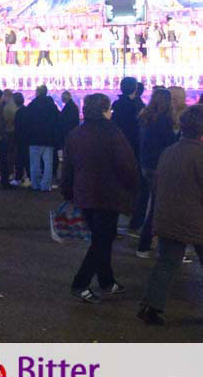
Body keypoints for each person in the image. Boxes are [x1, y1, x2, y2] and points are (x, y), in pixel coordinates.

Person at [60, 93, 139, 303]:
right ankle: (81, 283)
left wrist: (68, 192)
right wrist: (132, 187)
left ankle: (107, 281)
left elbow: (67, 167)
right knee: (102, 240)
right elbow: (127, 166)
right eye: (109, 109)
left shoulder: (76, 134)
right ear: (104, 110)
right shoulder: (113, 133)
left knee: (101, 238)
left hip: (84, 194)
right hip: (108, 194)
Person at [137, 103, 203, 325]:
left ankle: (150, 307)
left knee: (166, 264)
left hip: (168, 216)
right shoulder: (199, 155)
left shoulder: (170, 151)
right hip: (195, 219)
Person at [133, 87, 176, 254]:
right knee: (158, 206)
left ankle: (147, 243)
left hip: (146, 163)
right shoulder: (163, 120)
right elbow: (170, 143)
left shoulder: (145, 117)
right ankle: (147, 245)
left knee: (154, 203)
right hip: (159, 165)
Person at [21, 86, 60, 192]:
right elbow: (57, 121)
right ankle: (45, 185)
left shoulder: (32, 105)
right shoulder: (52, 106)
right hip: (48, 139)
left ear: (37, 93)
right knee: (48, 164)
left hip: (34, 139)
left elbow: (26, 122)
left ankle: (36, 184)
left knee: (34, 163)